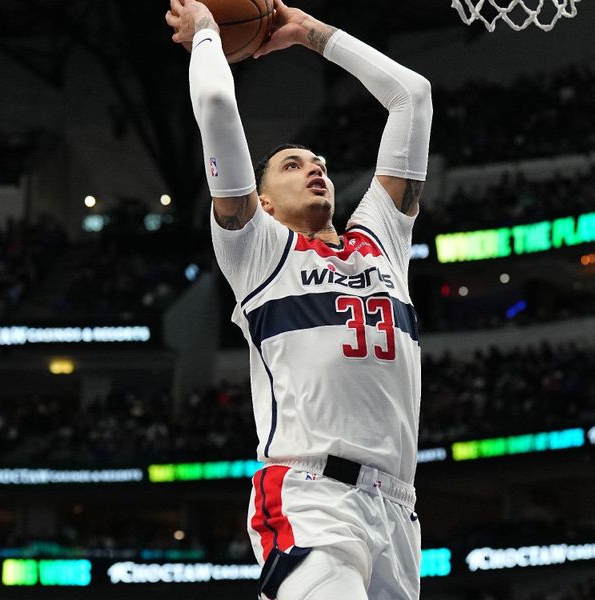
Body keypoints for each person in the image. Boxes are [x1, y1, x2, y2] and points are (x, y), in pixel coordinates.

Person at [166, 0, 432, 598]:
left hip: (398, 512)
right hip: (311, 496)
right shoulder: (257, 248)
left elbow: (412, 96)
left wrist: (314, 34)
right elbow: (215, 106)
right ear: (261, 201)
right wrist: (209, 33)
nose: (316, 169)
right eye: (293, 164)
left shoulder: (381, 242)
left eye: (321, 164)